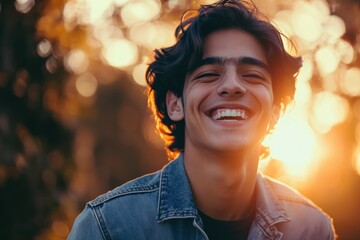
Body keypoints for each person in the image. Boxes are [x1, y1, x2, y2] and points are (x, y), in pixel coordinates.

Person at [68, 0, 336, 239]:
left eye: (252, 75)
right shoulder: (108, 228)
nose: (232, 86)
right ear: (175, 104)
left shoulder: (311, 229)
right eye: (208, 74)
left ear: (276, 109)